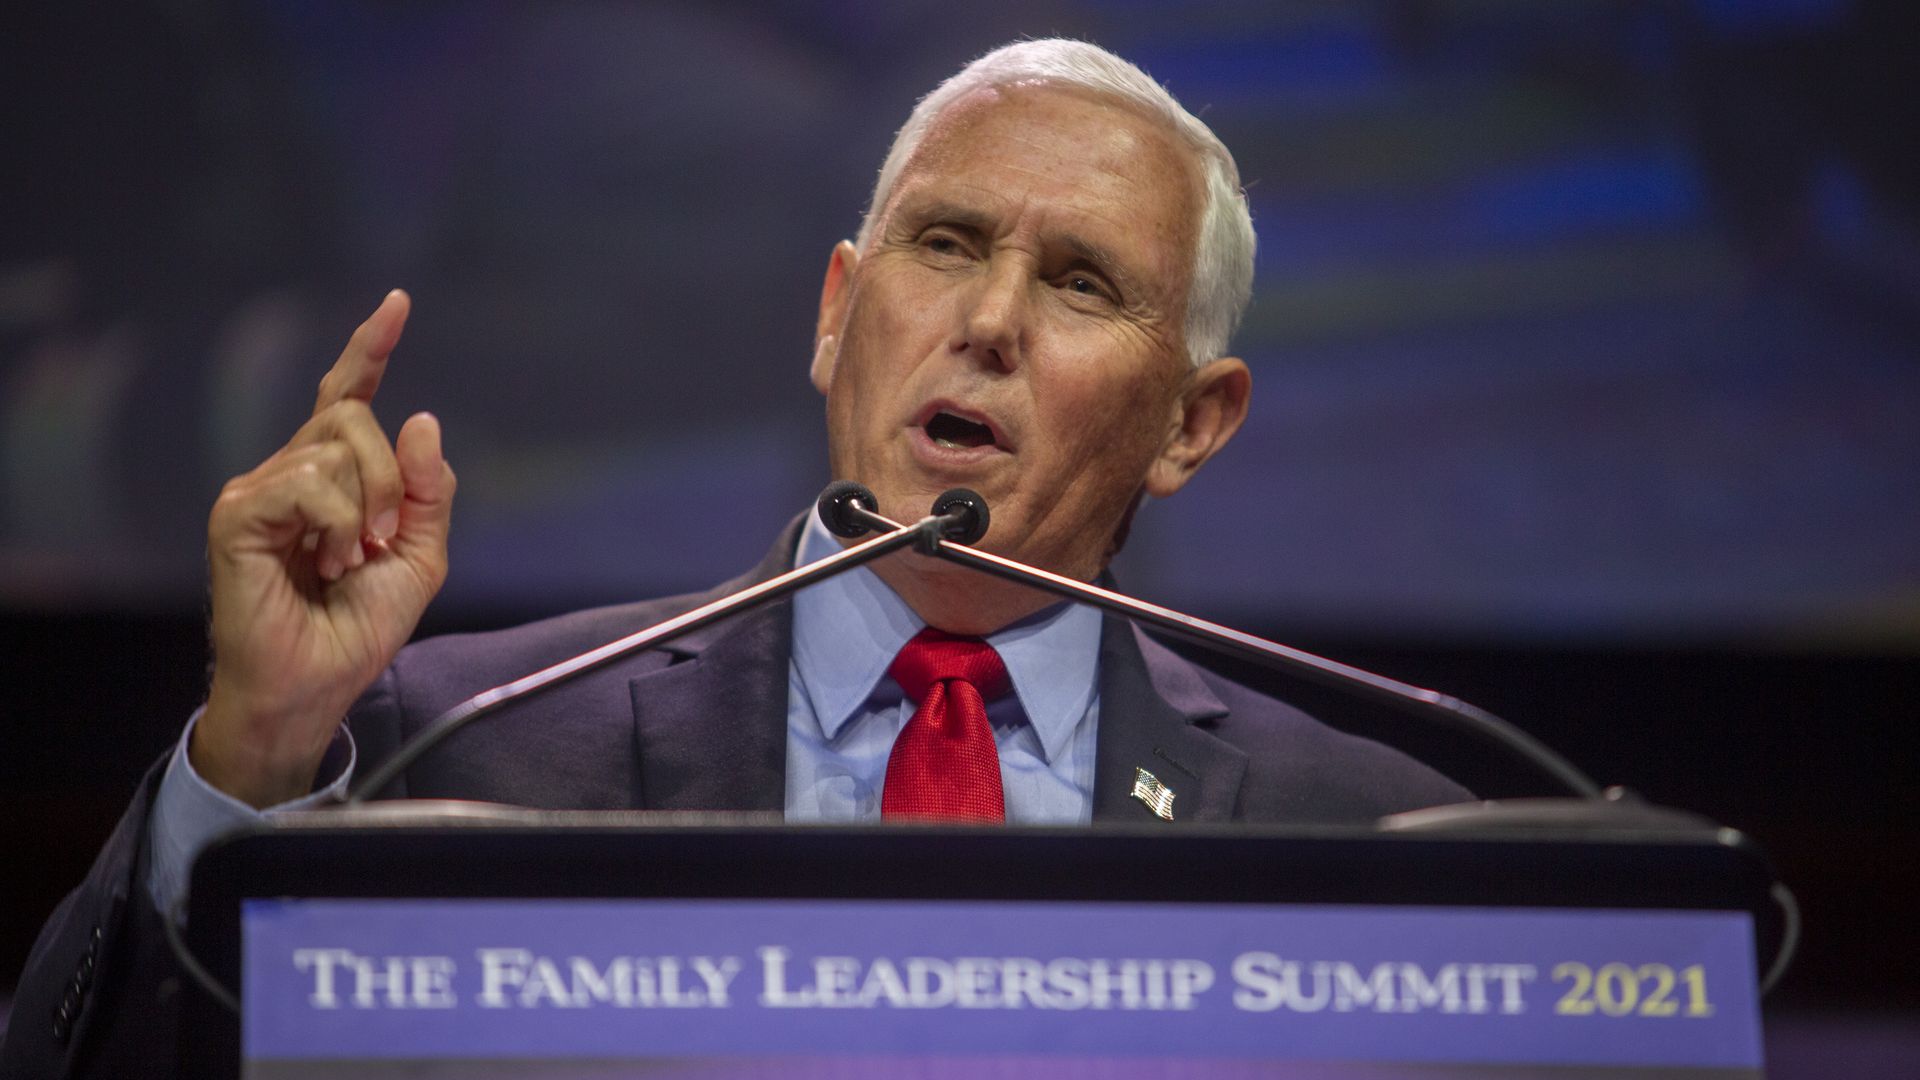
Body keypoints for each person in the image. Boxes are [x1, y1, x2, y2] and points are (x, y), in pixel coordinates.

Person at [1, 39, 1468, 1077]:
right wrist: (254, 752)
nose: (991, 321)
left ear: (1194, 425)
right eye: (945, 246)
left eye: (1081, 283)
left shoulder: (1387, 844)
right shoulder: (434, 753)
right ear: (838, 310)